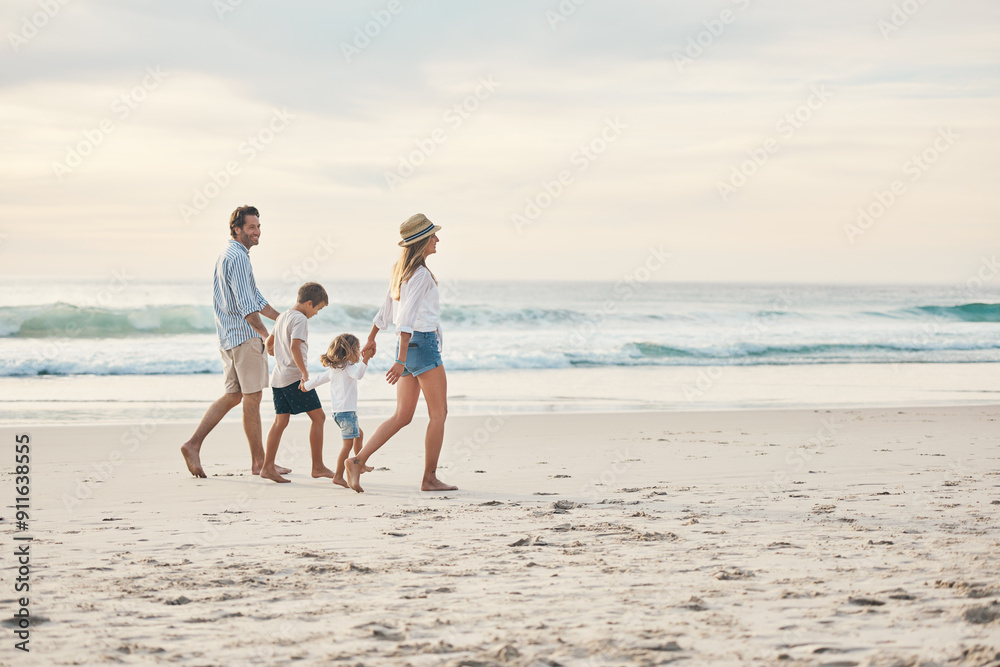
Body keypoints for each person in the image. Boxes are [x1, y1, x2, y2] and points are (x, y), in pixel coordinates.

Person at [345, 213, 457, 493]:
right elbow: (404, 317)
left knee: (402, 415)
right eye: (433, 236)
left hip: (408, 347)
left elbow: (386, 310)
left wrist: (371, 337)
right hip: (420, 346)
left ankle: (357, 461)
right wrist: (400, 359)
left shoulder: (401, 270)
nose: (437, 240)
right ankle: (429, 478)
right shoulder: (418, 275)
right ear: (422, 241)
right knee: (439, 414)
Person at [181, 205, 287, 478]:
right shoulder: (238, 258)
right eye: (251, 227)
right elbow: (245, 306)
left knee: (234, 396)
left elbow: (254, 296)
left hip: (228, 337)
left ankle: (193, 444)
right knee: (252, 398)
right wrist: (266, 335)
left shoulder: (228, 254)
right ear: (237, 229)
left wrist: (283, 319)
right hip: (244, 337)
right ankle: (260, 464)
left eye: (259, 226)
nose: (257, 232)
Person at [259, 282, 334, 483]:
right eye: (318, 309)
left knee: (280, 421)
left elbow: (269, 342)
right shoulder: (300, 319)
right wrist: (304, 373)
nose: (317, 313)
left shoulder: (282, 316)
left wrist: (273, 351)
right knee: (319, 418)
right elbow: (294, 346)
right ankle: (317, 467)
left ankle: (267, 467)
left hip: (278, 378)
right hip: (293, 378)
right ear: (309, 303)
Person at [302, 333, 375, 488]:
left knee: (359, 434)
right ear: (350, 350)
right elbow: (359, 375)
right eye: (357, 348)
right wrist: (366, 359)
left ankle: (360, 463)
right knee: (347, 445)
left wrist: (304, 385)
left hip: (337, 413)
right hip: (347, 413)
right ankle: (338, 475)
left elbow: (316, 381)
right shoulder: (348, 366)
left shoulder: (334, 368)